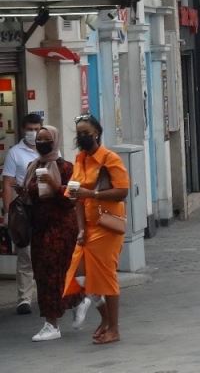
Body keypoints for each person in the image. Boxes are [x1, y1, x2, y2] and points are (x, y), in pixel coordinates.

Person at [63, 114, 130, 345]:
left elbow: (122, 191)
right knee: (81, 275)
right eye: (79, 133)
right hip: (88, 226)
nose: (82, 137)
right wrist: (80, 229)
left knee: (106, 276)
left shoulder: (109, 158)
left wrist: (92, 194)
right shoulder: (80, 159)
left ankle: (114, 328)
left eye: (86, 133)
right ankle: (105, 320)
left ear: (97, 134)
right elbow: (75, 197)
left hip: (107, 225)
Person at [23, 125, 85, 341]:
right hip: (39, 229)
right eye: (39, 139)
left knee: (52, 275)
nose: (41, 142)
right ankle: (78, 299)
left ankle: (51, 323)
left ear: (55, 140)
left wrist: (53, 184)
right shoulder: (33, 166)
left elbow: (72, 199)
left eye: (46, 138)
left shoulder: (66, 167)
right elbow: (27, 194)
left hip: (61, 229)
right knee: (43, 275)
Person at [1, 112, 42, 315]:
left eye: (36, 130)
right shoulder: (15, 153)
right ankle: (24, 298)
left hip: (44, 209)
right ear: (23, 130)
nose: (33, 133)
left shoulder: (50, 150)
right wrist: (7, 212)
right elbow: (7, 183)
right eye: (30, 130)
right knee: (25, 253)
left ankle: (46, 292)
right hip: (22, 210)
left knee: (45, 251)